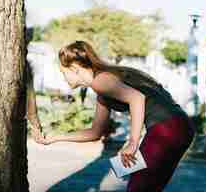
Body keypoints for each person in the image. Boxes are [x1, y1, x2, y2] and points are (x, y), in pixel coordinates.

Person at [35, 40, 195, 191]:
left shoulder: (101, 81)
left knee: (138, 188)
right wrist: (54, 138)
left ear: (75, 68)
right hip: (179, 127)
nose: (64, 78)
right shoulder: (103, 88)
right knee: (147, 186)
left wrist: (132, 143)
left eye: (64, 72)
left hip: (167, 128)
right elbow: (95, 132)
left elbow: (137, 98)